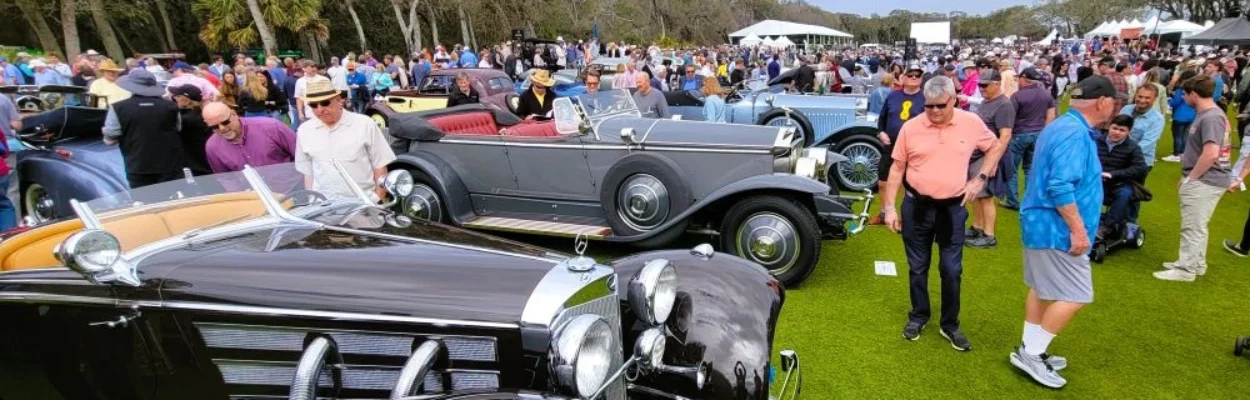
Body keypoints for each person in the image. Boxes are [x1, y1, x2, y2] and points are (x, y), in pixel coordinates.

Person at [1012, 76, 1122, 389]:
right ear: (1102, 102)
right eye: (1113, 102)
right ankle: (1031, 353)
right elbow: (1059, 184)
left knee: (1042, 289)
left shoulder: (1063, 126)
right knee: (1075, 295)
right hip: (1055, 229)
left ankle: (1030, 349)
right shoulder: (1073, 132)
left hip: (1041, 224)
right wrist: (1078, 231)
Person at [881, 76, 1000, 352]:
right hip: (916, 207)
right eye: (928, 106)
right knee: (917, 267)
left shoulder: (971, 123)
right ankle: (919, 316)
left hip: (952, 209)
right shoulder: (911, 128)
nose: (933, 111)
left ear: (954, 100)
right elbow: (897, 168)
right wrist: (888, 208)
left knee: (951, 269)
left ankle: (950, 324)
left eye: (939, 106)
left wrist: (980, 178)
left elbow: (994, 146)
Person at [1156, 74, 1232, 282]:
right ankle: (1196, 263)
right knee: (1198, 224)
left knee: (1193, 225)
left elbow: (1211, 153)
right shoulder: (1209, 114)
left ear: (1194, 94)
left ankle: (1186, 269)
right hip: (1206, 178)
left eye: (1185, 93)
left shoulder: (1211, 117)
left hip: (1207, 179)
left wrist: (1192, 178)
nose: (1182, 96)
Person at [295, 77, 396, 200]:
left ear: (339, 100)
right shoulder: (304, 130)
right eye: (314, 105)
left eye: (325, 103)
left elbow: (380, 164)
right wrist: (312, 200)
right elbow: (308, 171)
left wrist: (378, 198)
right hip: (324, 207)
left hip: (363, 203)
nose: (320, 109)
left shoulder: (364, 124)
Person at [101, 69, 186, 189]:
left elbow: (110, 136)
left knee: (144, 202)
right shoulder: (171, 106)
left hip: (138, 165)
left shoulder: (118, 108)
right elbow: (178, 128)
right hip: (170, 164)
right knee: (174, 202)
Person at [965, 69, 1015, 249]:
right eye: (980, 85)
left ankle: (989, 235)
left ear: (996, 83)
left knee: (986, 196)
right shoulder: (988, 102)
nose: (981, 88)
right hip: (979, 154)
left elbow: (1005, 136)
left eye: (985, 85)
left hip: (989, 155)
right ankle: (977, 227)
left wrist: (993, 161)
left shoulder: (1004, 105)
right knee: (977, 194)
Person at [871, 63, 927, 223]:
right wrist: (881, 132)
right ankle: (883, 213)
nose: (914, 78)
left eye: (918, 75)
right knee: (883, 180)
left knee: (906, 183)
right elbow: (882, 118)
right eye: (911, 75)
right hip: (891, 145)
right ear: (903, 77)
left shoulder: (926, 98)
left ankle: (904, 217)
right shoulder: (893, 95)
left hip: (914, 147)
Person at [1001, 68, 1058, 210]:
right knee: (1030, 169)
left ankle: (1012, 201)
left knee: (1012, 169)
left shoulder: (1017, 96)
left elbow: (1010, 118)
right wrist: (1045, 134)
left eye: (1018, 78)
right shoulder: (1046, 95)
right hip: (1038, 134)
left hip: (1020, 135)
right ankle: (1030, 199)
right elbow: (1051, 116)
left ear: (1024, 78)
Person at [202, 102, 298, 174]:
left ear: (234, 114)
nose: (222, 128)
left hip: (292, 191)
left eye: (225, 122)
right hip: (254, 197)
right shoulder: (213, 147)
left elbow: (301, 155)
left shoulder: (271, 127)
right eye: (214, 127)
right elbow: (226, 178)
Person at [1097, 115, 1149, 237]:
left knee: (1124, 194)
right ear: (1109, 127)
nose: (1117, 132)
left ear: (1128, 132)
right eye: (1115, 128)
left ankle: (1107, 227)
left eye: (1122, 130)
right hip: (1097, 181)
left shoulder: (1133, 148)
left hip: (1119, 184)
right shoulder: (1096, 141)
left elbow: (1141, 168)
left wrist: (1113, 174)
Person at [169, 85, 214, 176]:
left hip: (196, 164)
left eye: (177, 96)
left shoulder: (186, 119)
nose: (174, 99)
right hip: (204, 161)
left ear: (187, 100)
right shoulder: (201, 113)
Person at [1120, 85, 1164, 170]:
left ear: (1155, 99)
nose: (1142, 100)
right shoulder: (1126, 109)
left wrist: (1123, 154)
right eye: (1140, 96)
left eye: (1147, 98)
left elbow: (1147, 144)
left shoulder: (1157, 119)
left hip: (1140, 161)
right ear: (1135, 95)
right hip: (1119, 156)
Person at [1163, 70, 1199, 163]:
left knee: (1177, 135)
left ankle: (1176, 154)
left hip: (1180, 115)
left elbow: (1175, 102)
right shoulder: (1196, 90)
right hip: (1191, 115)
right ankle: (1183, 152)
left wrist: (1169, 101)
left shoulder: (1181, 89)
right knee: (1185, 135)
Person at [0, 93, 20, 230]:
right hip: (5, 152)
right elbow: (16, 125)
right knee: (11, 192)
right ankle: (13, 233)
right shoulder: (3, 99)